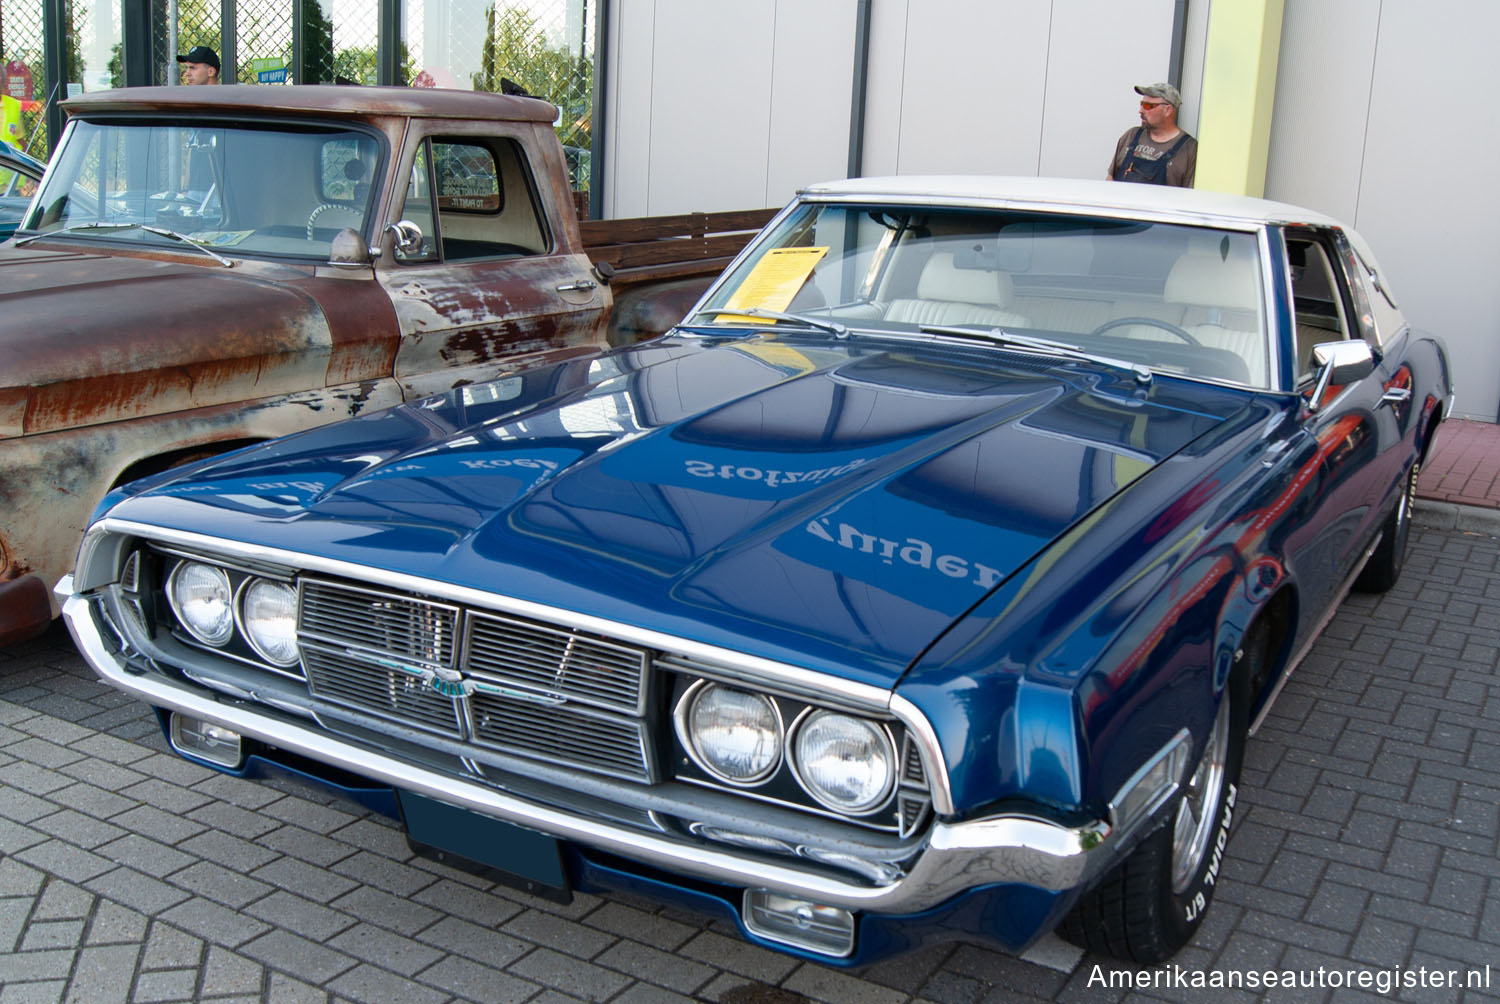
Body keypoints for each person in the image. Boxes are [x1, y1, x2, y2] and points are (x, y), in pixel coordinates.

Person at [1108, 83, 1196, 187]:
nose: (1141, 110)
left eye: (1148, 106)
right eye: (1141, 104)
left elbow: (1189, 197)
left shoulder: (1189, 149)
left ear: (1168, 110)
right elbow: (1110, 179)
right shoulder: (1130, 136)